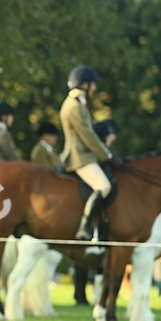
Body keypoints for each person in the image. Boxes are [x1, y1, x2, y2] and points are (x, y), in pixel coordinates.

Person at [60, 65, 120, 241]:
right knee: (104, 186)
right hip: (80, 157)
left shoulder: (79, 104)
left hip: (86, 155)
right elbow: (87, 135)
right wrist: (106, 155)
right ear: (84, 84)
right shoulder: (74, 106)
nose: (94, 88)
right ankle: (85, 227)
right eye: (92, 84)